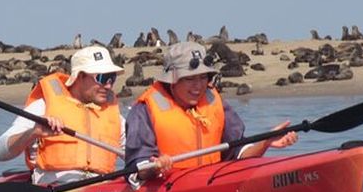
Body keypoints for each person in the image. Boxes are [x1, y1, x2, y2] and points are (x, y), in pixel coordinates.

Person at [125, 42, 298, 182]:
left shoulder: (215, 101)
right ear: (172, 81)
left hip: (212, 180)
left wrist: (264, 143)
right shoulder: (144, 109)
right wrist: (154, 167)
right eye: (190, 79)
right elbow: (138, 169)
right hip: (166, 186)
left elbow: (237, 154)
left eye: (203, 77)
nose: (198, 86)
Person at [0, 45, 125, 185]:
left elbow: (138, 158)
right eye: (102, 78)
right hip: (55, 188)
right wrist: (33, 133)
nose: (109, 86)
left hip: (101, 190)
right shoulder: (43, 107)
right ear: (80, 76)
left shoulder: (116, 118)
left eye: (112, 78)